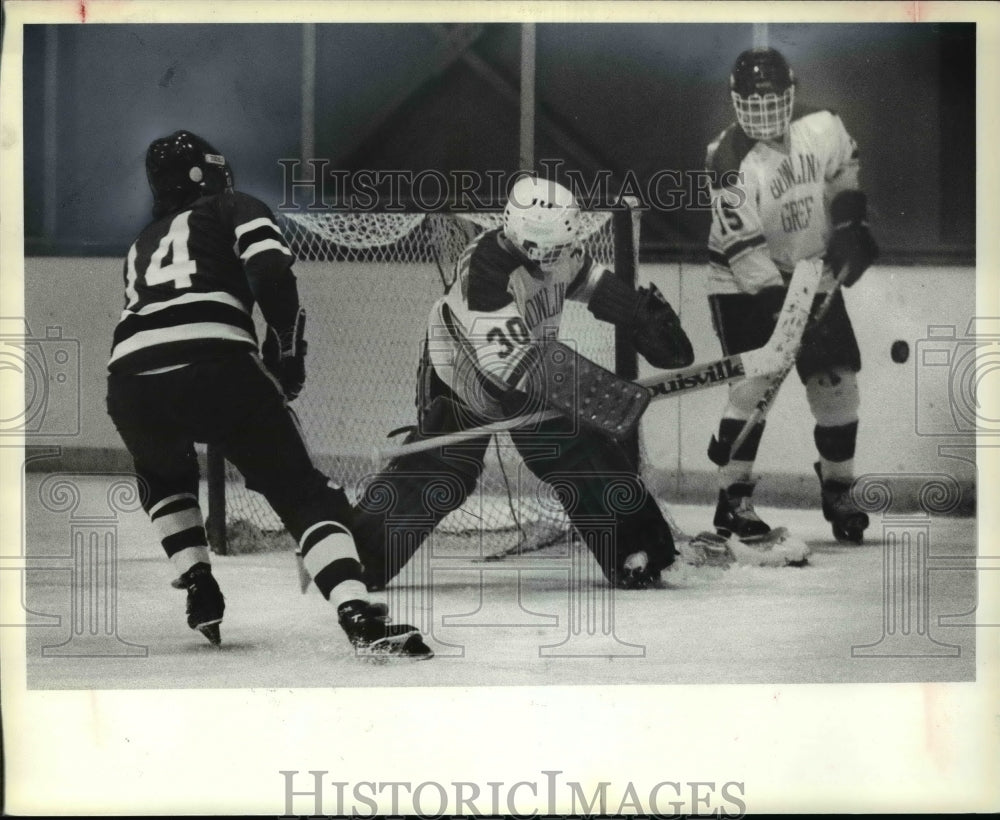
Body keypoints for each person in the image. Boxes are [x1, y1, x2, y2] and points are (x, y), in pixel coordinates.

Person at [106, 130, 432, 658]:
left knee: (164, 477)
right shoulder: (233, 205)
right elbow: (271, 269)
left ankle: (197, 582)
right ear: (207, 173)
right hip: (218, 367)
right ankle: (356, 611)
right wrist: (284, 350)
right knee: (303, 493)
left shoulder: (141, 242)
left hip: (128, 382)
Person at [352, 176, 694, 591]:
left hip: (527, 367)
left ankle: (638, 553)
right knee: (444, 472)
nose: (550, 258)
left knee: (581, 453)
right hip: (463, 375)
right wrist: (604, 397)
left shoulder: (559, 249)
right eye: (541, 249)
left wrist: (637, 312)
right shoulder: (485, 269)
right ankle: (353, 557)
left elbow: (589, 281)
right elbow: (511, 370)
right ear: (515, 230)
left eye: (557, 248)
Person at [704, 47, 878, 544]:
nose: (762, 116)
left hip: (810, 270)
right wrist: (781, 309)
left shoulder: (823, 125)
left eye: (772, 102)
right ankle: (732, 497)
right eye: (750, 104)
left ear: (792, 93)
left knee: (836, 384)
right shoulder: (728, 157)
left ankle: (839, 488)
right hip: (741, 281)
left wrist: (849, 222)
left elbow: (844, 168)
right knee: (753, 387)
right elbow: (743, 247)